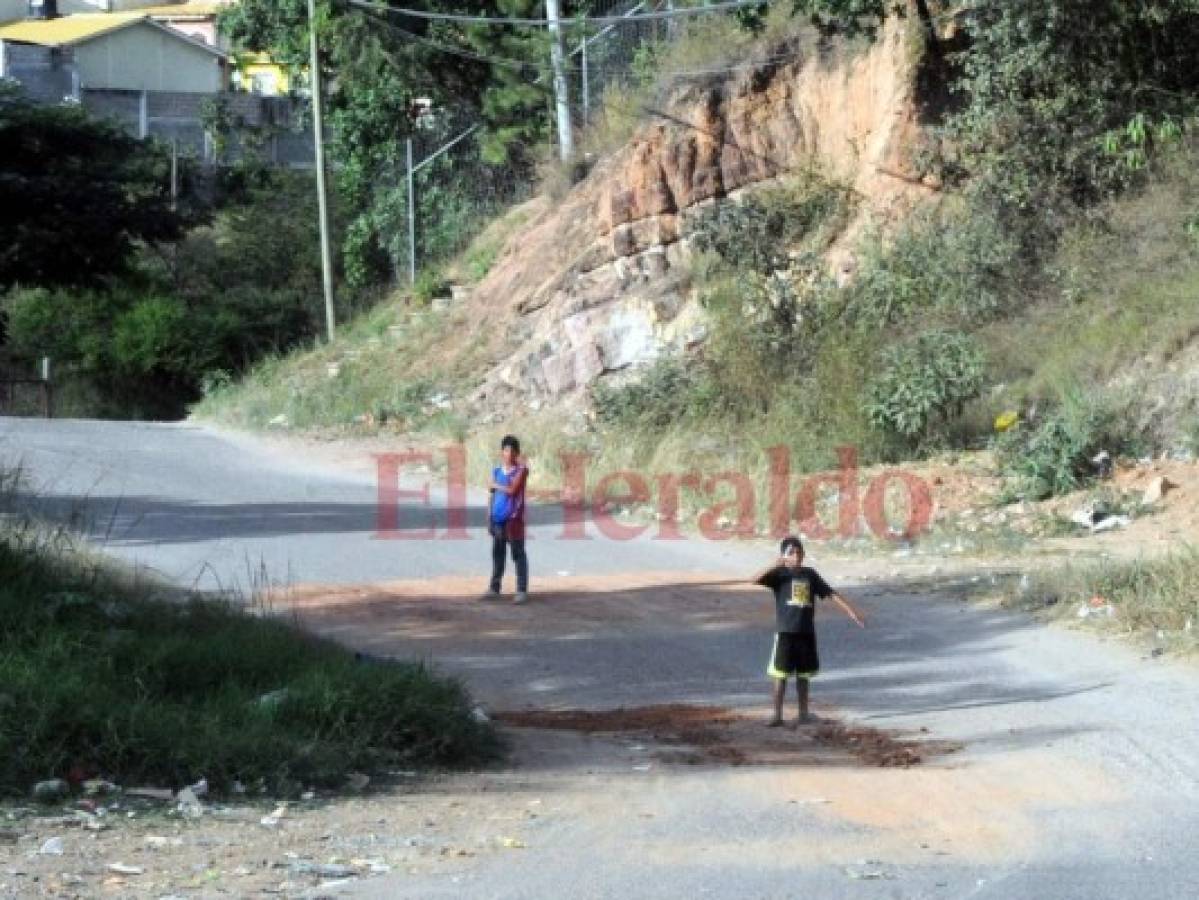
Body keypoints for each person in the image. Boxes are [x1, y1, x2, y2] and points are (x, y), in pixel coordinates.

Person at [752, 536, 867, 726]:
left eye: (799, 552)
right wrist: (775, 564)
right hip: (785, 633)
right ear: (783, 555)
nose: (796, 556)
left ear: (803, 555)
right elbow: (753, 579)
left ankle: (803, 713)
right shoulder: (779, 575)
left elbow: (830, 593)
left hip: (806, 632)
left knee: (804, 675)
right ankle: (776, 715)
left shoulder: (810, 575)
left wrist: (851, 612)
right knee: (780, 675)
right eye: (791, 553)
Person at [485, 435, 529, 604]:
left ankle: (521, 590)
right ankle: (494, 588)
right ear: (501, 452)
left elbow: (512, 490)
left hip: (514, 519)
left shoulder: (521, 470)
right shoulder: (496, 471)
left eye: (512, 451)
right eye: (506, 450)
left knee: (518, 554)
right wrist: (488, 518)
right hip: (497, 519)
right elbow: (490, 497)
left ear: (517, 453)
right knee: (498, 554)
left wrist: (494, 485)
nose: (509, 454)